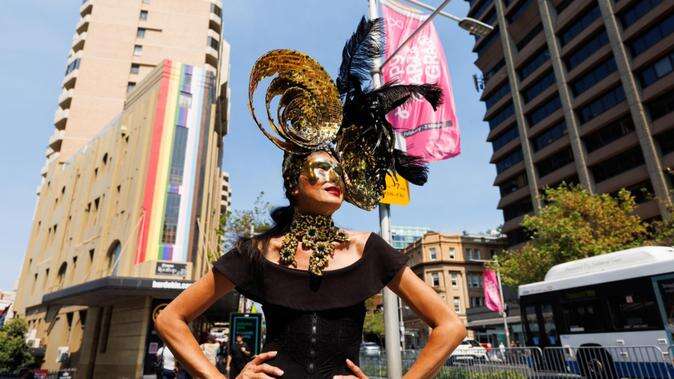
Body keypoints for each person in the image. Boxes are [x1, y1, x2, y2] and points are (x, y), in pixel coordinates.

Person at [155, 16, 467, 378]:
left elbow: (450, 327)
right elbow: (171, 319)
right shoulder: (257, 252)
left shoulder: (369, 249)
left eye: (338, 170)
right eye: (320, 168)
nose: (333, 176)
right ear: (293, 183)